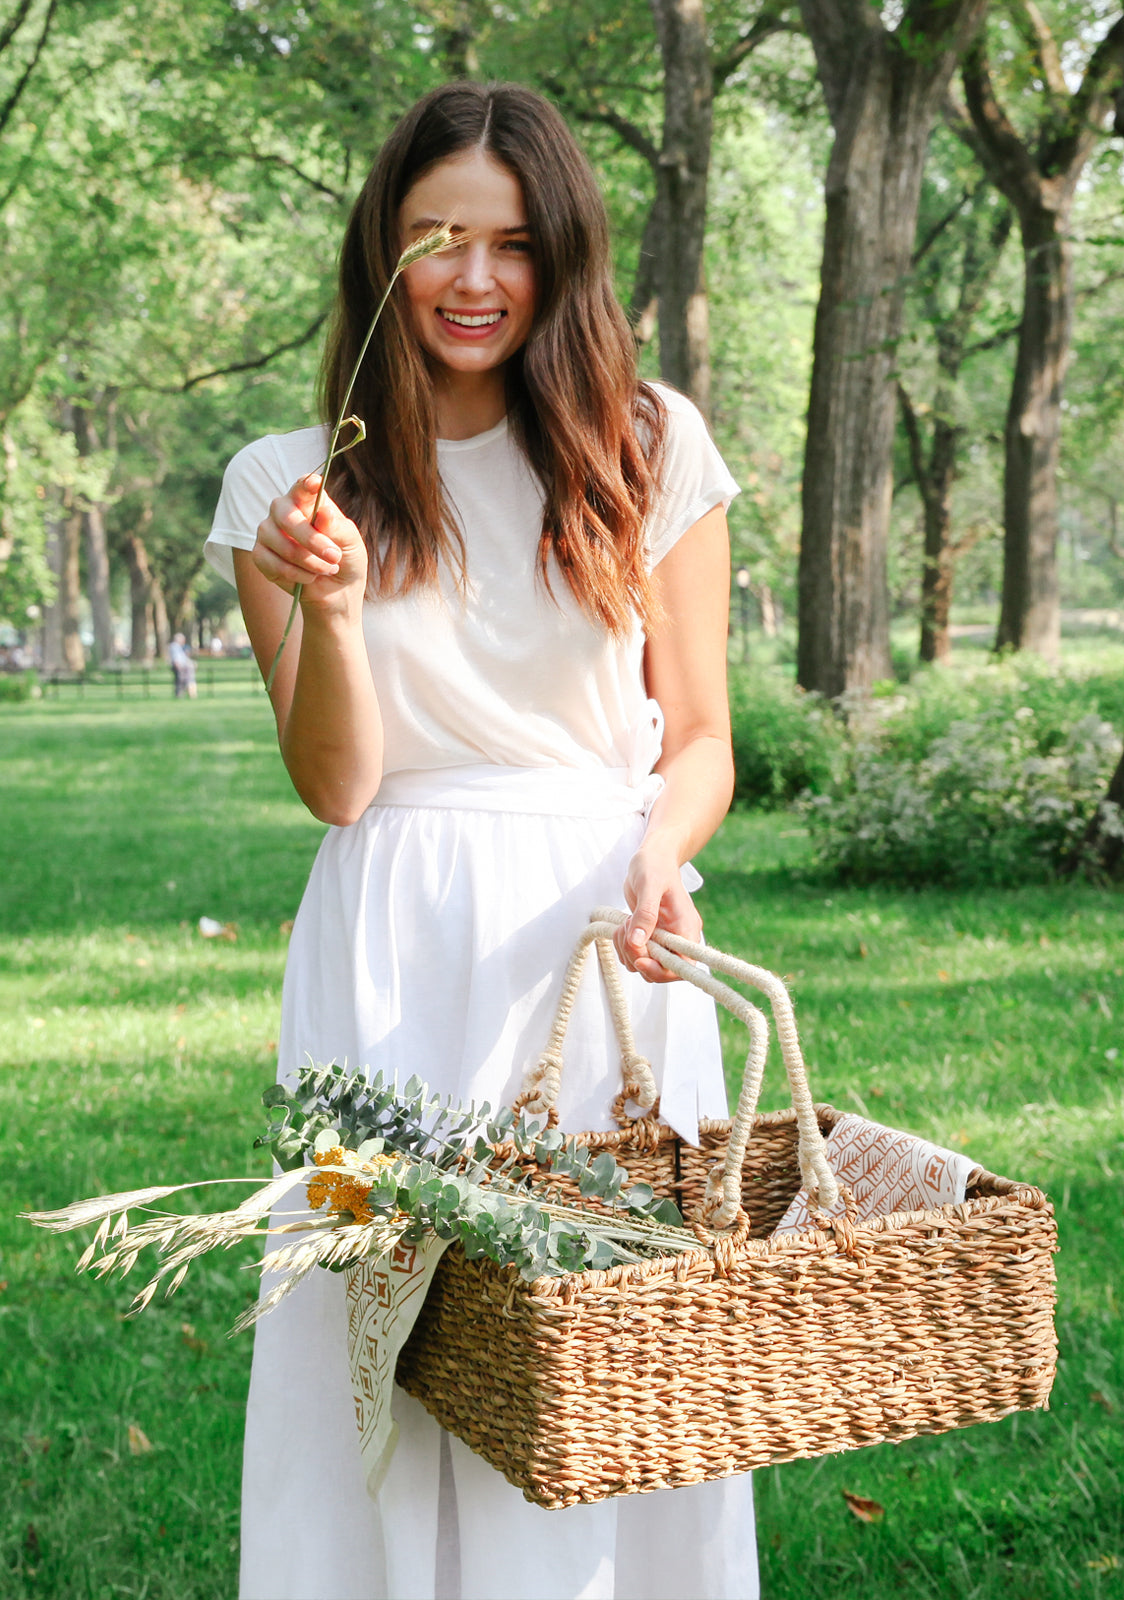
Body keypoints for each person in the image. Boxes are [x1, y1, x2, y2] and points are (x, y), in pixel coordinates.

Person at [206, 81, 756, 1600]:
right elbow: (338, 786)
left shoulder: (646, 443)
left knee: (613, 1337)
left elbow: (702, 736)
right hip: (388, 950)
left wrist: (660, 848)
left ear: (560, 259)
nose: (471, 278)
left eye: (510, 244)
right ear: (383, 247)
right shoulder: (287, 482)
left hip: (605, 936)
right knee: (378, 1326)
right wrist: (328, 601)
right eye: (437, 236)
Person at [168, 631, 197, 698]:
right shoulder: (174, 646)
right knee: (180, 681)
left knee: (183, 681)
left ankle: (183, 694)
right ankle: (179, 694)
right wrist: (178, 666)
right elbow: (176, 658)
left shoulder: (178, 646)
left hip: (182, 666)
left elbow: (183, 658)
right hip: (179, 667)